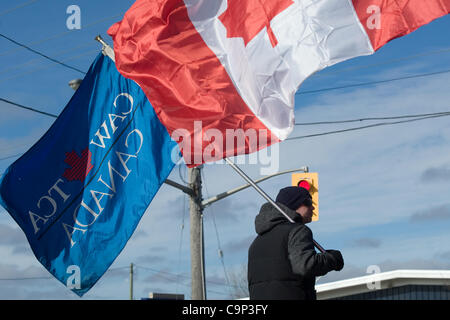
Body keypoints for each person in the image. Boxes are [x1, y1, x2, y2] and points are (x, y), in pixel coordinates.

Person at [247, 186, 344, 300]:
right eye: (308, 202)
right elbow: (305, 265)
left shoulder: (256, 242)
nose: (313, 207)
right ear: (294, 204)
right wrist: (332, 259)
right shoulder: (297, 230)